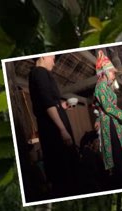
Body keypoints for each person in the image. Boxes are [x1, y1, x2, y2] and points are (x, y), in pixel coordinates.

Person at [27, 54, 78, 198]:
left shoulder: (36, 75)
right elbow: (48, 103)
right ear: (43, 56)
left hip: (50, 127)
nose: (54, 63)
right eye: (53, 59)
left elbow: (50, 102)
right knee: (64, 168)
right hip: (53, 130)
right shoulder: (40, 72)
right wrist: (62, 130)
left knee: (62, 168)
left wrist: (63, 106)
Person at [93, 50, 122, 189]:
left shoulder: (106, 87)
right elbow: (109, 108)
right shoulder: (100, 87)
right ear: (104, 72)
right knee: (118, 158)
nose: (114, 75)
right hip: (110, 125)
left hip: (115, 123)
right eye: (112, 72)